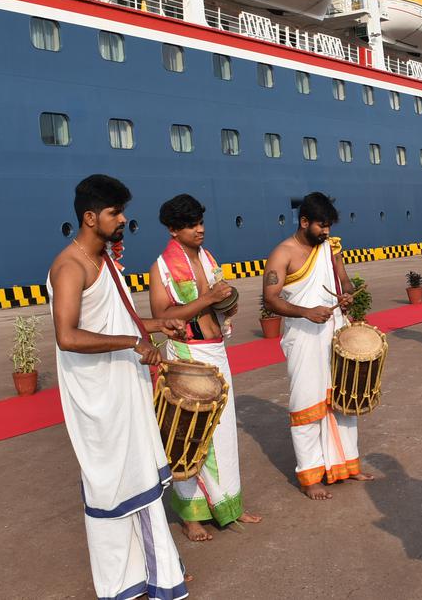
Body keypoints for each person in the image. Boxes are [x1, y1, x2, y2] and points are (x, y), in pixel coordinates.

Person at [47, 175, 190, 599]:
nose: (123, 219)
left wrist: (155, 325)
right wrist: (134, 341)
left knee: (136, 479)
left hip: (122, 386)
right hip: (97, 398)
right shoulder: (69, 267)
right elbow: (67, 336)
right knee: (113, 486)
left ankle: (152, 573)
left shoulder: (105, 260)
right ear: (90, 218)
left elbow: (118, 321)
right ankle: (129, 583)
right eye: (115, 213)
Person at [148, 194, 263, 541]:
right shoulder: (162, 267)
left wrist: (227, 304)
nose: (199, 230)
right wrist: (208, 299)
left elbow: (218, 303)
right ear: (172, 230)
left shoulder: (208, 258)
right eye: (191, 225)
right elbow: (161, 316)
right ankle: (191, 516)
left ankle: (229, 504)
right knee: (189, 431)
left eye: (200, 223)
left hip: (216, 350)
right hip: (186, 352)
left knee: (223, 431)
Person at [263, 192, 374, 500]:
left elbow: (345, 281)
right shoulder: (282, 254)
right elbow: (270, 299)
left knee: (343, 400)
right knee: (306, 405)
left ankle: (347, 465)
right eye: (321, 226)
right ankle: (310, 477)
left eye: (329, 226)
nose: (326, 232)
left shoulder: (331, 248)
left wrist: (348, 294)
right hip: (304, 338)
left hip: (336, 333)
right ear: (304, 222)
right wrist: (306, 312)